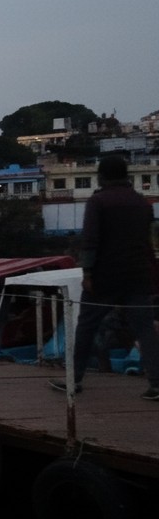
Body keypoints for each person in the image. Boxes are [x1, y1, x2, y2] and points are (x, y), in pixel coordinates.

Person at [50, 155, 159, 400]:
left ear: (102, 176)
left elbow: (90, 241)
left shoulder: (98, 202)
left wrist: (87, 272)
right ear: (126, 175)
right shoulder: (142, 203)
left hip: (104, 276)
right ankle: (156, 383)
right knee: (145, 331)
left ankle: (74, 380)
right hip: (138, 275)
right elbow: (147, 244)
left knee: (86, 327)